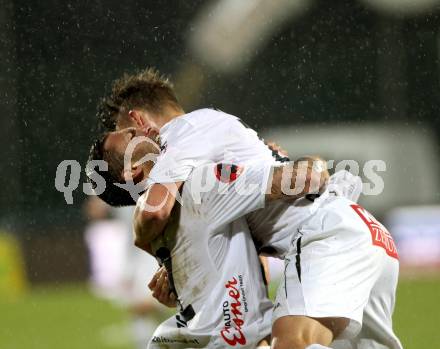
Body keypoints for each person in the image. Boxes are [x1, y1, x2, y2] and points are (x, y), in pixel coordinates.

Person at [88, 127, 402, 349]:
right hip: (356, 236)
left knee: (293, 344)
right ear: (132, 172)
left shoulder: (192, 191)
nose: (141, 131)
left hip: (333, 236)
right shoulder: (184, 201)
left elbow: (305, 178)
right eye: (130, 137)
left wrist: (275, 160)